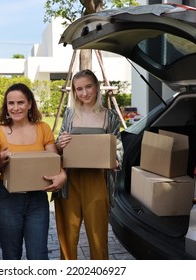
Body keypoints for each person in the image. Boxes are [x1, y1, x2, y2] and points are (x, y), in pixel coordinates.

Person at [0, 83, 67, 260]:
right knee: (11, 256)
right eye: (11, 103)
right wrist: (1, 160)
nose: (15, 108)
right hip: (7, 201)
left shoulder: (43, 128)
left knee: (38, 256)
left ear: (30, 104)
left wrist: (62, 174)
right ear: (6, 106)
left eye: (21, 102)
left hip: (37, 200)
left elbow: (54, 161)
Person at [53, 69, 124, 260]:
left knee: (98, 236)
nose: (84, 93)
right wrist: (60, 143)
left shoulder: (110, 117)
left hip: (97, 180)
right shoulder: (69, 114)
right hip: (69, 181)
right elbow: (58, 146)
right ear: (74, 92)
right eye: (79, 89)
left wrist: (115, 161)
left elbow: (117, 146)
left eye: (88, 87)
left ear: (97, 87)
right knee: (68, 236)